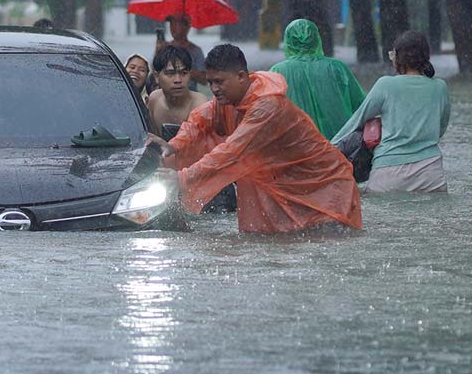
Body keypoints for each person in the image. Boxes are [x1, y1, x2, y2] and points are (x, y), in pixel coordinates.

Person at [150, 44, 362, 234]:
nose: (214, 89)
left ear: (242, 77)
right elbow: (198, 122)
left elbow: (231, 152)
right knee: (280, 246)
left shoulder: (266, 106)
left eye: (220, 82)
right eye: (210, 82)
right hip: (283, 186)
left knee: (323, 245)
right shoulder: (227, 100)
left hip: (324, 188)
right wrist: (173, 146)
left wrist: (182, 178)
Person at [331, 31, 450, 193]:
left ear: (398, 58)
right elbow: (440, 130)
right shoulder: (440, 87)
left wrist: (328, 147)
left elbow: (356, 122)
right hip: (431, 176)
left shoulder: (385, 85)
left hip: (388, 176)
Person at [269, 18, 367, 139]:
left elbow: (268, 114)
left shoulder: (277, 72)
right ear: (317, 39)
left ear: (287, 41)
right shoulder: (337, 68)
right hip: (340, 146)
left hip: (296, 147)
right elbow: (361, 106)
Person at [146, 46, 210, 139]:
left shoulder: (201, 105)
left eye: (184, 73)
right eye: (170, 73)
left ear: (190, 74)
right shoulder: (154, 99)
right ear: (156, 76)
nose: (178, 80)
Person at [154, 13, 206, 89]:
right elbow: (155, 73)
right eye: (171, 24)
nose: (173, 27)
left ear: (187, 27)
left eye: (177, 23)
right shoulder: (165, 47)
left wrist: (185, 66)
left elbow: (204, 79)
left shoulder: (195, 50)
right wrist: (158, 53)